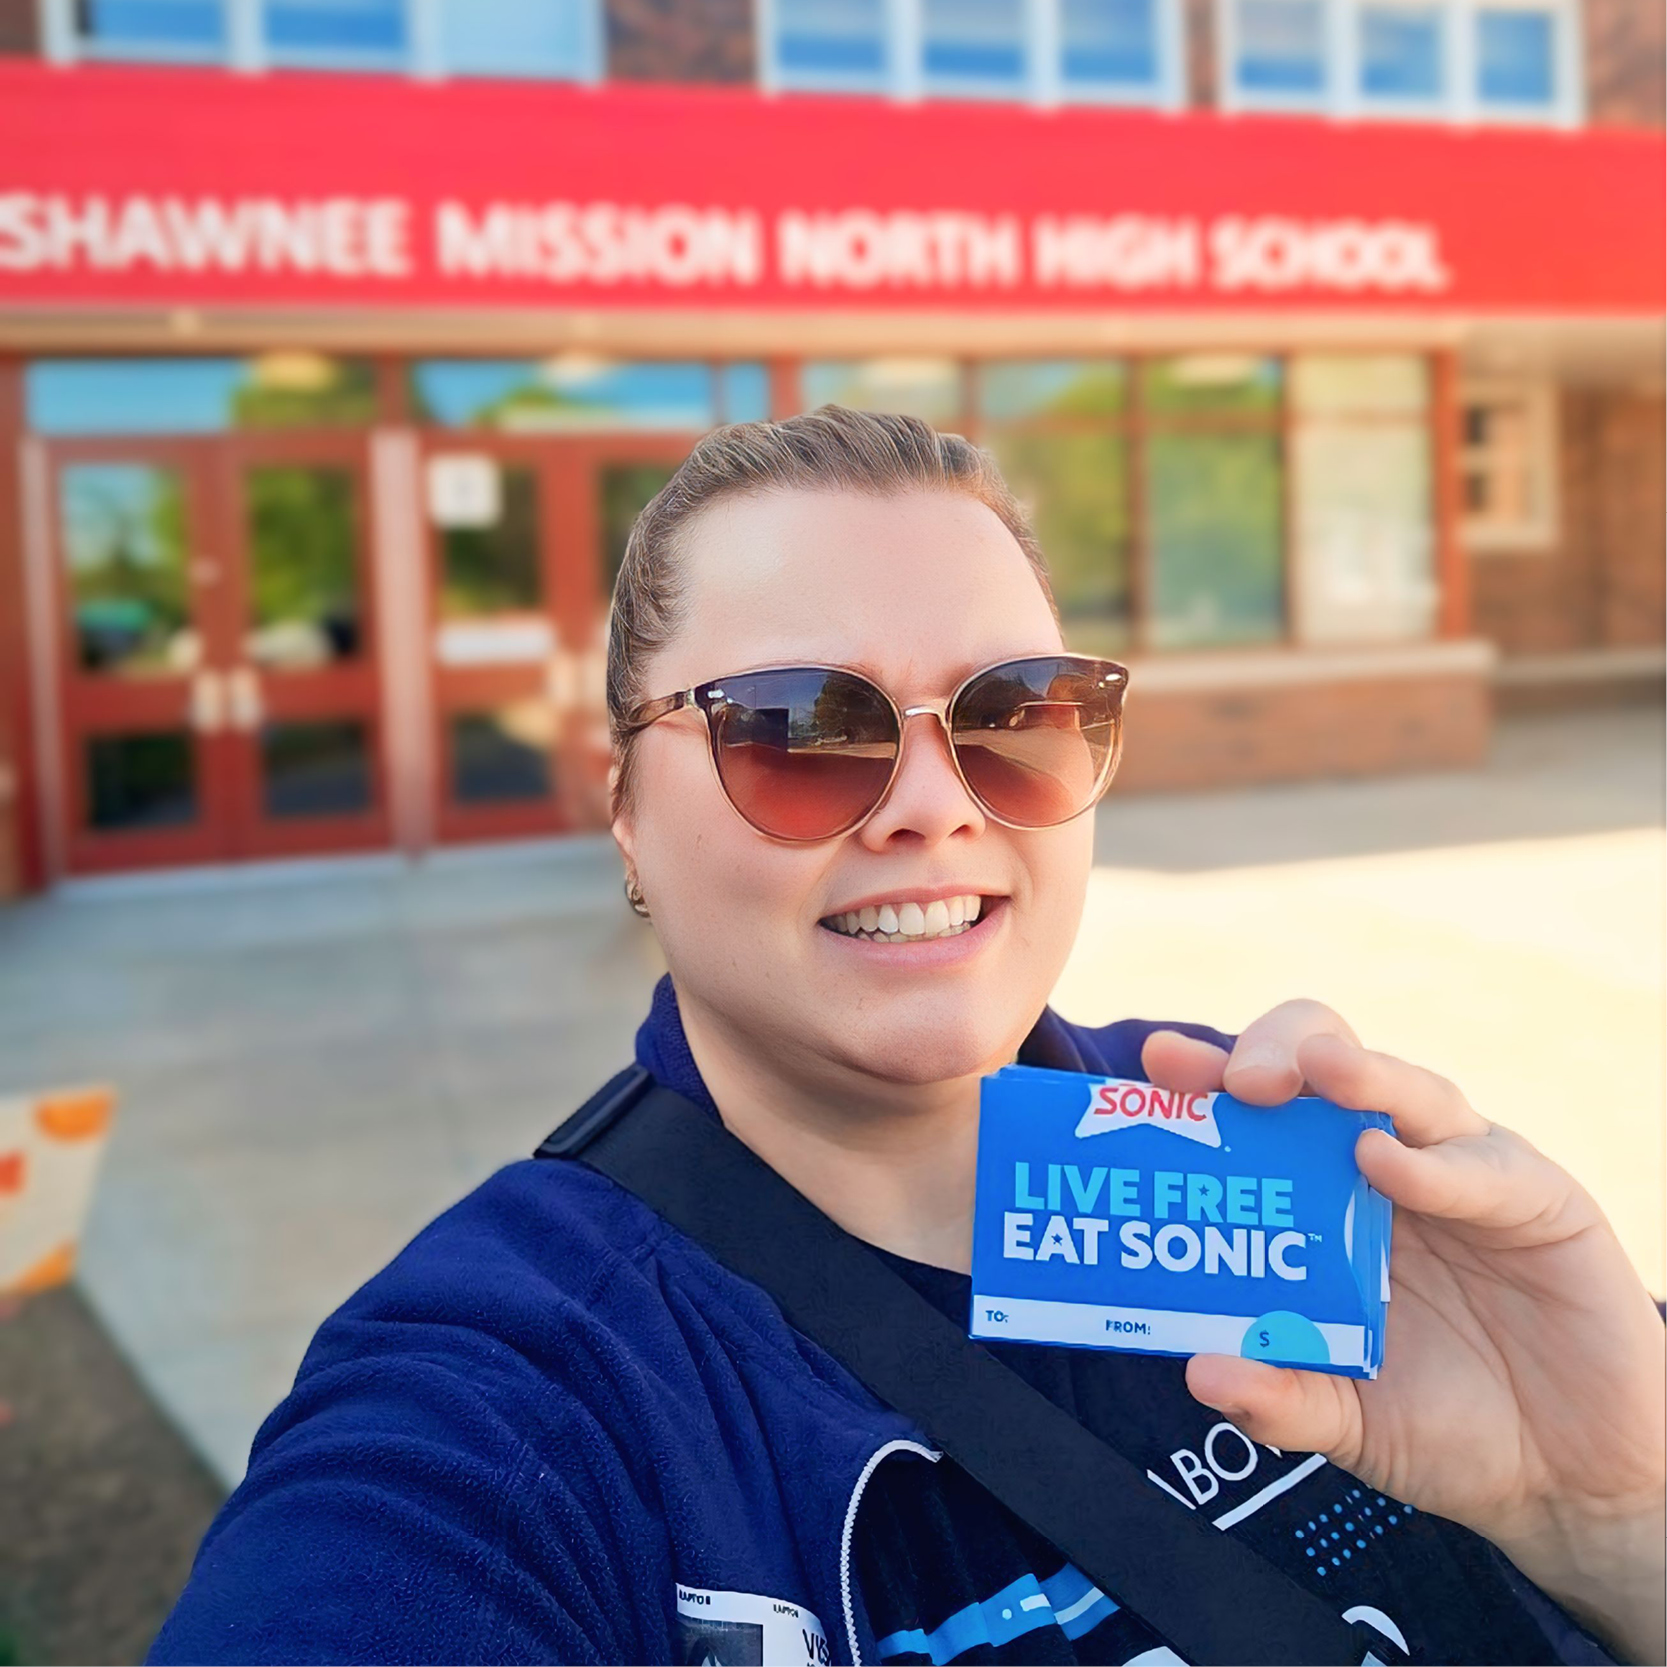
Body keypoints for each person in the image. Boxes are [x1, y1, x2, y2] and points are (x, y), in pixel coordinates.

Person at [148, 407, 1664, 1667]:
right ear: (623, 817)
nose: (936, 803)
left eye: (1016, 712)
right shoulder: (517, 1405)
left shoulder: (1258, 1149)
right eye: (801, 729)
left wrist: (1607, 1515)